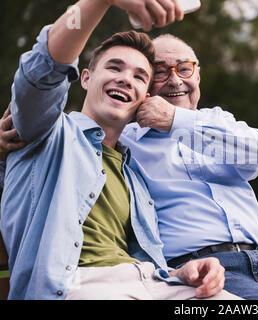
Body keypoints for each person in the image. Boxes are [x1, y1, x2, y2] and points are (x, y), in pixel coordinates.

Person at [1, 13, 258, 301]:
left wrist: (176, 121)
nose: (175, 79)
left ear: (199, 74)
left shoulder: (217, 123)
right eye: (160, 72)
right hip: (195, 271)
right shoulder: (123, 140)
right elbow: (47, 118)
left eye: (185, 68)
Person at [0, 0, 239, 300]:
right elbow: (42, 71)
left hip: (149, 283)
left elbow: (137, 256)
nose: (126, 78)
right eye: (114, 67)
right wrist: (97, 2)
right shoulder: (48, 132)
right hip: (76, 287)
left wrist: (180, 272)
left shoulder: (134, 171)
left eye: (140, 76)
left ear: (145, 97)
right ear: (85, 78)